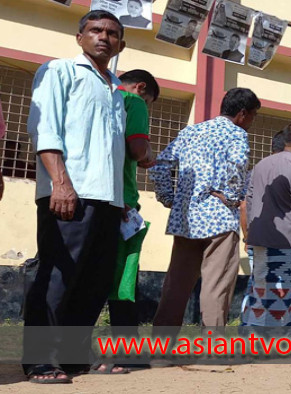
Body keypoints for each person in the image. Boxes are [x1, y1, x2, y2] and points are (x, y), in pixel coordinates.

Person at [23, 10, 126, 383]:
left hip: (107, 200)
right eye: (95, 30)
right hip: (68, 193)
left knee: (92, 281)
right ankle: (39, 359)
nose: (104, 37)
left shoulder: (116, 88)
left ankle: (69, 357)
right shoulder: (59, 70)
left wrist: (121, 200)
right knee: (57, 277)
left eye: (112, 33)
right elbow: (45, 127)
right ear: (79, 37)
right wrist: (61, 183)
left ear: (121, 44)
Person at [149, 88, 259, 329]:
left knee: (175, 285)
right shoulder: (236, 134)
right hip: (219, 219)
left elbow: (158, 166)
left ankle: (160, 351)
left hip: (186, 219)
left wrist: (169, 198)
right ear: (242, 114)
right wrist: (231, 198)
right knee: (216, 286)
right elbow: (238, 165)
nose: (251, 122)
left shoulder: (191, 131)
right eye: (253, 116)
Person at [242, 123, 291, 326]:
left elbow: (249, 201)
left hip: (258, 239)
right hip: (288, 241)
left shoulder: (261, 165)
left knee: (259, 288)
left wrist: (250, 232)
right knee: (285, 292)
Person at [107, 69, 159, 343]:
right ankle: (126, 346)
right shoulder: (133, 102)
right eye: (149, 102)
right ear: (140, 88)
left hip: (91, 195)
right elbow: (138, 150)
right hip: (123, 201)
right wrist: (148, 154)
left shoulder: (102, 96)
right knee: (123, 279)